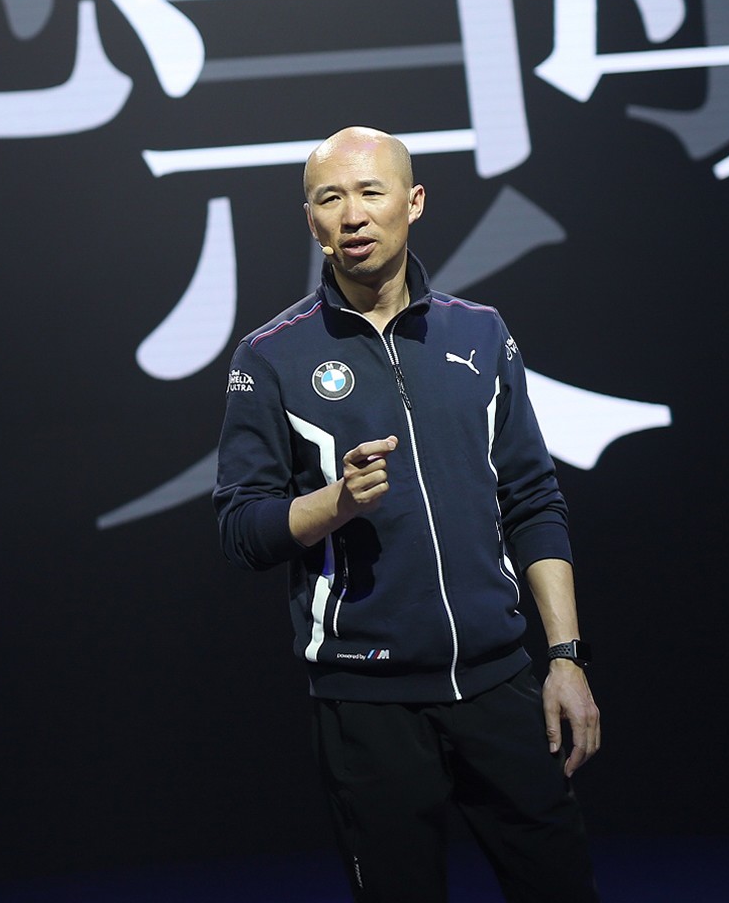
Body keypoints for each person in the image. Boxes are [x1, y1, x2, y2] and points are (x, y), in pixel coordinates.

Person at [215, 126, 601, 902]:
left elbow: (533, 498)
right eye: (330, 198)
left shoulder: (480, 333)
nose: (353, 214)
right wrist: (336, 501)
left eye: (371, 191)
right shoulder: (271, 356)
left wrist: (565, 658)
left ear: (414, 202)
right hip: (366, 704)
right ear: (311, 221)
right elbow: (241, 531)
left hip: (498, 684)